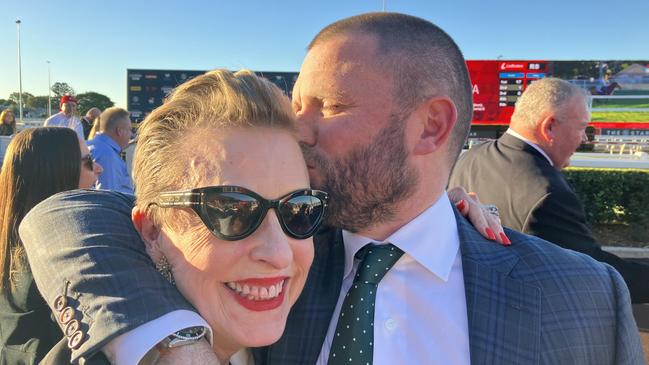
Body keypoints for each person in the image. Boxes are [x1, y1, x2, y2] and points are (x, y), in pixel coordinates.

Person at [20, 13, 643, 365]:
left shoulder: (583, 298)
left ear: (432, 126)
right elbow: (67, 215)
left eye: (329, 106)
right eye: (298, 105)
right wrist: (171, 346)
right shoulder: (273, 275)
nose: (300, 127)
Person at [449, 77, 649, 304]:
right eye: (582, 127)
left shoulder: (471, 157)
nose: (584, 138)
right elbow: (594, 275)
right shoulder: (548, 192)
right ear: (550, 127)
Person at [0, 127, 102, 364]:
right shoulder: (66, 260)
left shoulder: (13, 248)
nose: (99, 168)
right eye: (88, 162)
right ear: (57, 175)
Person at [87, 107, 135, 194]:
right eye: (129, 130)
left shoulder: (93, 145)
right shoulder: (107, 155)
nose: (131, 135)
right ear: (120, 131)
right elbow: (108, 198)